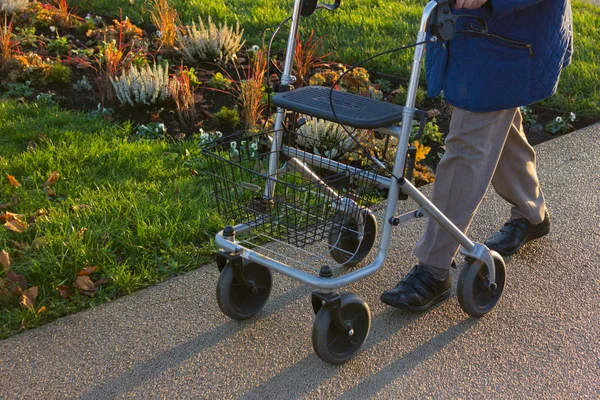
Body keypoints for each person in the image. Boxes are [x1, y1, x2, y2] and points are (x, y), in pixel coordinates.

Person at [381, 0, 573, 310]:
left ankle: (433, 268)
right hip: (475, 33)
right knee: (496, 124)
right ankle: (531, 211)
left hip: (512, 37)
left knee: (469, 143)